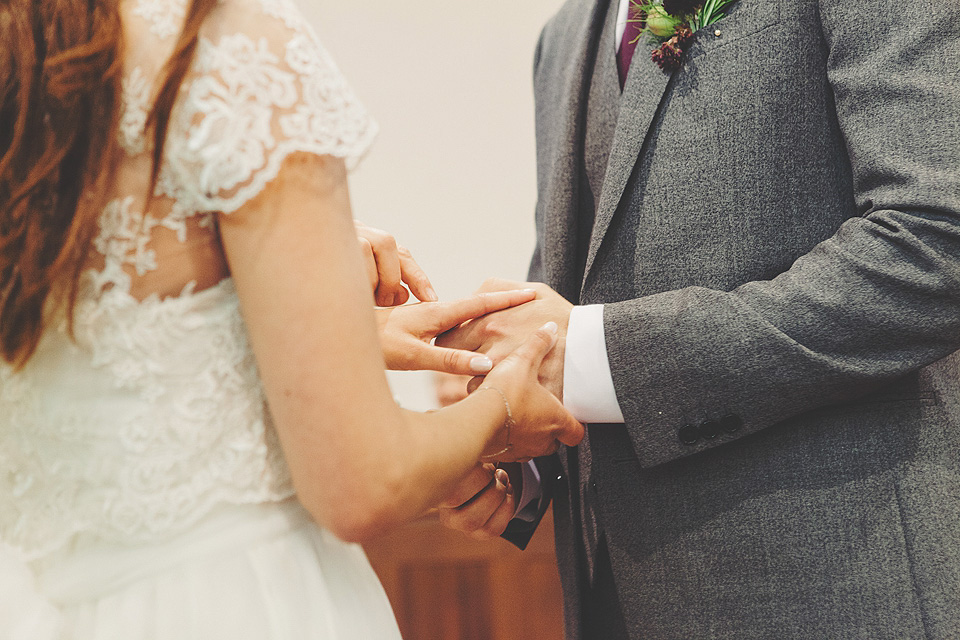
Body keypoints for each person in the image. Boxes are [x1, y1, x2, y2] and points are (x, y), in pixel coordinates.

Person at [0, 0, 584, 637]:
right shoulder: (234, 50)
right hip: (234, 602)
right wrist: (500, 403)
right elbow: (362, 486)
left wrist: (302, 317)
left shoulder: (22, 50)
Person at [439, 0, 960, 637]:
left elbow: (937, 240)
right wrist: (509, 440)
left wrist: (594, 360)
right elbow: (574, 289)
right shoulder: (565, 36)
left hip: (844, 590)